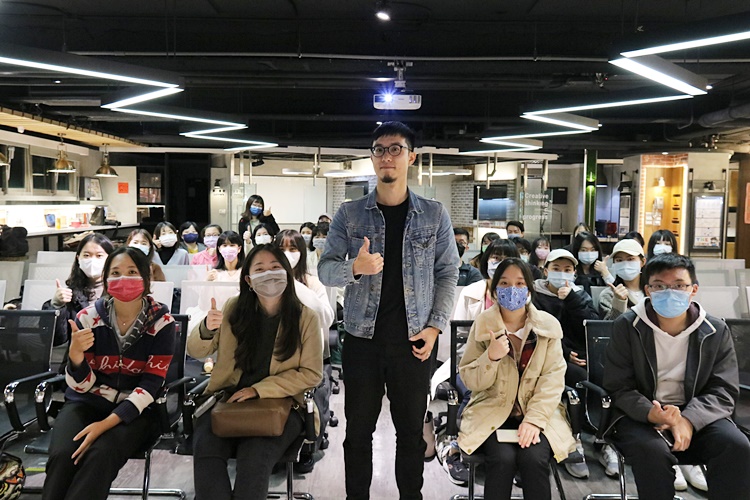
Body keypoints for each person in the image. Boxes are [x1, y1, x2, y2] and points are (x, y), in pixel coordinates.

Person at [318, 121, 459, 500]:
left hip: (414, 341)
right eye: (379, 149)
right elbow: (325, 268)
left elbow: (448, 273)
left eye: (396, 148)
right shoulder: (350, 214)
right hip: (361, 340)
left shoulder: (434, 214)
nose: (387, 156)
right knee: (357, 432)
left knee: (410, 433)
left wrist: (435, 327)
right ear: (372, 157)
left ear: (411, 157)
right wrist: (354, 267)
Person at [603, 253, 750, 500]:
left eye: (679, 285)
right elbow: (618, 385)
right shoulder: (627, 326)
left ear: (693, 290)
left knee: (735, 445)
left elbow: (723, 389)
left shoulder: (715, 330)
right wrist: (652, 413)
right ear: (648, 290)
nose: (669, 292)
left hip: (699, 413)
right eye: (660, 286)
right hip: (642, 415)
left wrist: (688, 420)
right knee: (651, 451)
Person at [188, 244, 323, 500]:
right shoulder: (234, 308)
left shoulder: (305, 318)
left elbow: (312, 373)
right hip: (228, 401)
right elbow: (195, 350)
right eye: (260, 269)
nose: (269, 274)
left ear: (287, 274)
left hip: (282, 406)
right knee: (206, 450)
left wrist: (258, 390)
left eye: (275, 267)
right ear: (249, 280)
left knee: (255, 458)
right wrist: (206, 327)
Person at [42, 246, 176, 500]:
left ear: (146, 278)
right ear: (105, 279)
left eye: (132, 272)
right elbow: (81, 387)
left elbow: (151, 385)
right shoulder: (87, 318)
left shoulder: (163, 323)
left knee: (100, 454)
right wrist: (75, 356)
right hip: (87, 402)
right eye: (115, 272)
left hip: (137, 412)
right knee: (63, 455)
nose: (123, 278)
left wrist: (104, 425)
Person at [458, 258, 577, 500]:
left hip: (540, 413)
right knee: (502, 459)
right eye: (504, 283)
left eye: (520, 283)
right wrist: (490, 358)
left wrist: (534, 420)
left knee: (534, 458)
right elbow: (471, 380)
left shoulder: (548, 326)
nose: (512, 289)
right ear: (494, 290)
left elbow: (553, 380)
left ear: (530, 290)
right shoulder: (483, 324)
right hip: (492, 410)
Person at [532, 248, 600, 478]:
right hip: (546, 355)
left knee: (601, 374)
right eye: (556, 268)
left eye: (567, 269)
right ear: (545, 271)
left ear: (574, 273)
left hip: (578, 354)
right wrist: (565, 352)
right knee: (576, 377)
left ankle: (601, 436)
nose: (562, 274)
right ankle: (573, 439)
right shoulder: (535, 295)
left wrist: (572, 299)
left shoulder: (580, 295)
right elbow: (537, 328)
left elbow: (590, 326)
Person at [42, 233, 114, 346]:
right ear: (78, 258)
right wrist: (56, 306)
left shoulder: (119, 291)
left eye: (99, 256)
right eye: (86, 255)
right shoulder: (71, 295)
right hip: (80, 353)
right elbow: (56, 340)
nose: (92, 260)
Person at [598, 238, 646, 321]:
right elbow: (610, 326)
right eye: (619, 260)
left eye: (630, 259)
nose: (625, 264)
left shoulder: (653, 290)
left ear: (642, 262)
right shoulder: (608, 295)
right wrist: (618, 303)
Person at [570, 231, 615, 295]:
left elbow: (616, 289)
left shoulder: (602, 269)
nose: (589, 253)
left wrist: (604, 271)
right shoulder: (571, 270)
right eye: (583, 250)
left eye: (592, 250)